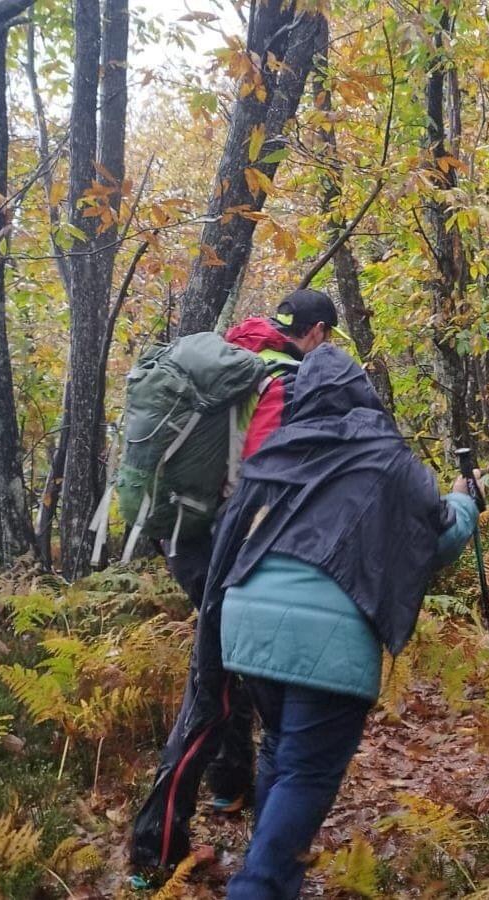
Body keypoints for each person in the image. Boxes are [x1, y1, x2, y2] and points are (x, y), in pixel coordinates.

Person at [200, 344, 479, 899]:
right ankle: (258, 886)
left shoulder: (278, 448)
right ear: (363, 392)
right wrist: (465, 501)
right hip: (327, 634)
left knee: (282, 748)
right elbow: (439, 536)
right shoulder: (387, 456)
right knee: (305, 771)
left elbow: (230, 537)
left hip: (246, 620)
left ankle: (267, 870)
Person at [128, 289, 344, 871]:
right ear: (319, 331)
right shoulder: (284, 379)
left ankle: (229, 784)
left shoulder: (234, 350)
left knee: (230, 669)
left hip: (180, 533)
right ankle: (155, 851)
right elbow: (263, 472)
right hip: (225, 544)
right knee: (214, 688)